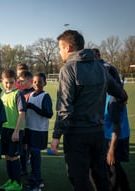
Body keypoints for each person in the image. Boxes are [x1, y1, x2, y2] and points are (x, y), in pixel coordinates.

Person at [50, 29, 127, 191]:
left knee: (79, 179)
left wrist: (56, 135)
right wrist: (123, 97)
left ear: (69, 48)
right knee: (100, 178)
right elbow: (119, 92)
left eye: (60, 48)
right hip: (97, 134)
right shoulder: (100, 67)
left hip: (77, 134)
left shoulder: (68, 69)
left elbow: (64, 107)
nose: (59, 52)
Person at [93, 48, 130, 190]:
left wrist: (111, 150)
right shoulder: (110, 94)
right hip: (109, 135)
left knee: (112, 168)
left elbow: (116, 127)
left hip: (115, 138)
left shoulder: (114, 100)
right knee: (115, 167)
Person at [0, 68, 26, 191]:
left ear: (15, 81)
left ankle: (18, 184)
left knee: (14, 158)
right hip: (4, 129)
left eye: (11, 82)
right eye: (6, 82)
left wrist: (16, 131)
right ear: (2, 81)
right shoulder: (2, 94)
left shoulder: (18, 94)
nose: (8, 85)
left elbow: (22, 114)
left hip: (14, 130)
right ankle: (11, 180)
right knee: (8, 157)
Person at [24, 72, 53, 191]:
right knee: (32, 155)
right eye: (35, 82)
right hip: (29, 129)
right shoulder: (30, 95)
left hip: (39, 130)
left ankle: (37, 184)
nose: (36, 84)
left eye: (39, 82)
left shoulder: (45, 96)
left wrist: (33, 107)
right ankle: (36, 179)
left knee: (36, 157)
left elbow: (49, 114)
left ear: (44, 83)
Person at [18, 70, 34, 176]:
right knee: (22, 147)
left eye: (23, 81)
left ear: (30, 81)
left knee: (30, 148)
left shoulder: (34, 93)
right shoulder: (19, 93)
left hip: (31, 126)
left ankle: (32, 171)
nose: (20, 83)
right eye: (20, 81)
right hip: (21, 125)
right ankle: (23, 168)